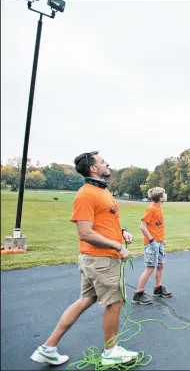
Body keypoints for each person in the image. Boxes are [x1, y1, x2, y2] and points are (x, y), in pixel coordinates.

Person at [30, 151, 138, 367]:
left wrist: (122, 231)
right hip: (100, 259)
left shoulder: (102, 191)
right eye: (102, 161)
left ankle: (48, 348)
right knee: (114, 303)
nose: (107, 162)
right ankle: (111, 352)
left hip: (98, 259)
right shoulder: (87, 193)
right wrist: (117, 246)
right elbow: (85, 233)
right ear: (93, 169)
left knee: (85, 300)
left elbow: (104, 221)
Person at [133, 187, 172, 305]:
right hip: (152, 244)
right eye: (164, 193)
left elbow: (157, 226)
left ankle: (157, 288)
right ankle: (138, 294)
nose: (166, 195)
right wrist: (152, 241)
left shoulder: (159, 208)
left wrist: (161, 240)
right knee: (150, 268)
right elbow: (142, 226)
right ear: (160, 197)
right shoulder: (151, 209)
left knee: (160, 265)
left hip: (159, 243)